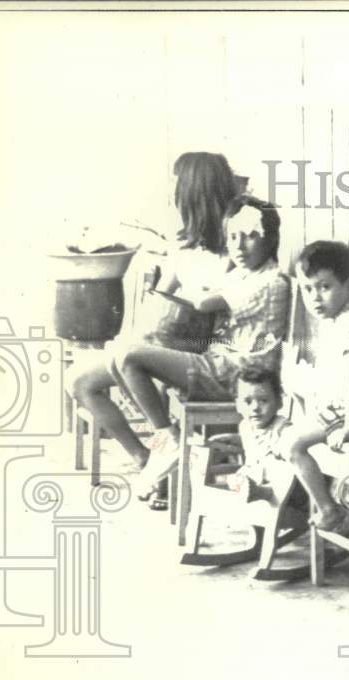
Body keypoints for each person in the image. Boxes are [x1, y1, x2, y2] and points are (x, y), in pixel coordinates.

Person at [67, 152, 240, 508]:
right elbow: (167, 296)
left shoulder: (234, 247)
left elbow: (226, 312)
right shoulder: (183, 246)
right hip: (172, 339)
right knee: (80, 382)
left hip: (202, 347)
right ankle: (147, 458)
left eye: (177, 183)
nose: (172, 191)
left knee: (136, 363)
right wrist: (148, 326)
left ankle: (167, 451)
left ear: (194, 189)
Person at [116, 194, 291, 498]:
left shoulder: (270, 282)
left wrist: (193, 277)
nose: (238, 245)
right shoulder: (244, 274)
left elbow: (203, 302)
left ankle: (167, 437)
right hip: (220, 364)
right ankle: (169, 447)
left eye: (250, 237)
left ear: (270, 239)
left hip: (239, 376)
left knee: (131, 357)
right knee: (123, 358)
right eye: (232, 236)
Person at [280, 241, 349, 532]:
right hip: (342, 409)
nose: (315, 297)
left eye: (324, 287)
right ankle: (332, 504)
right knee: (286, 433)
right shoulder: (334, 322)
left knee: (292, 445)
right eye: (307, 289)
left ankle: (329, 510)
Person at [226, 366, 295, 503]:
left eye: (263, 400)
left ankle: (260, 492)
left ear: (279, 402)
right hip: (255, 474)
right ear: (238, 405)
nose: (255, 408)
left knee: (278, 470)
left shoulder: (283, 428)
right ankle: (252, 491)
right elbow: (254, 448)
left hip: (284, 488)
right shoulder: (245, 426)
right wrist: (233, 439)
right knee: (236, 477)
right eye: (247, 401)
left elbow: (292, 458)